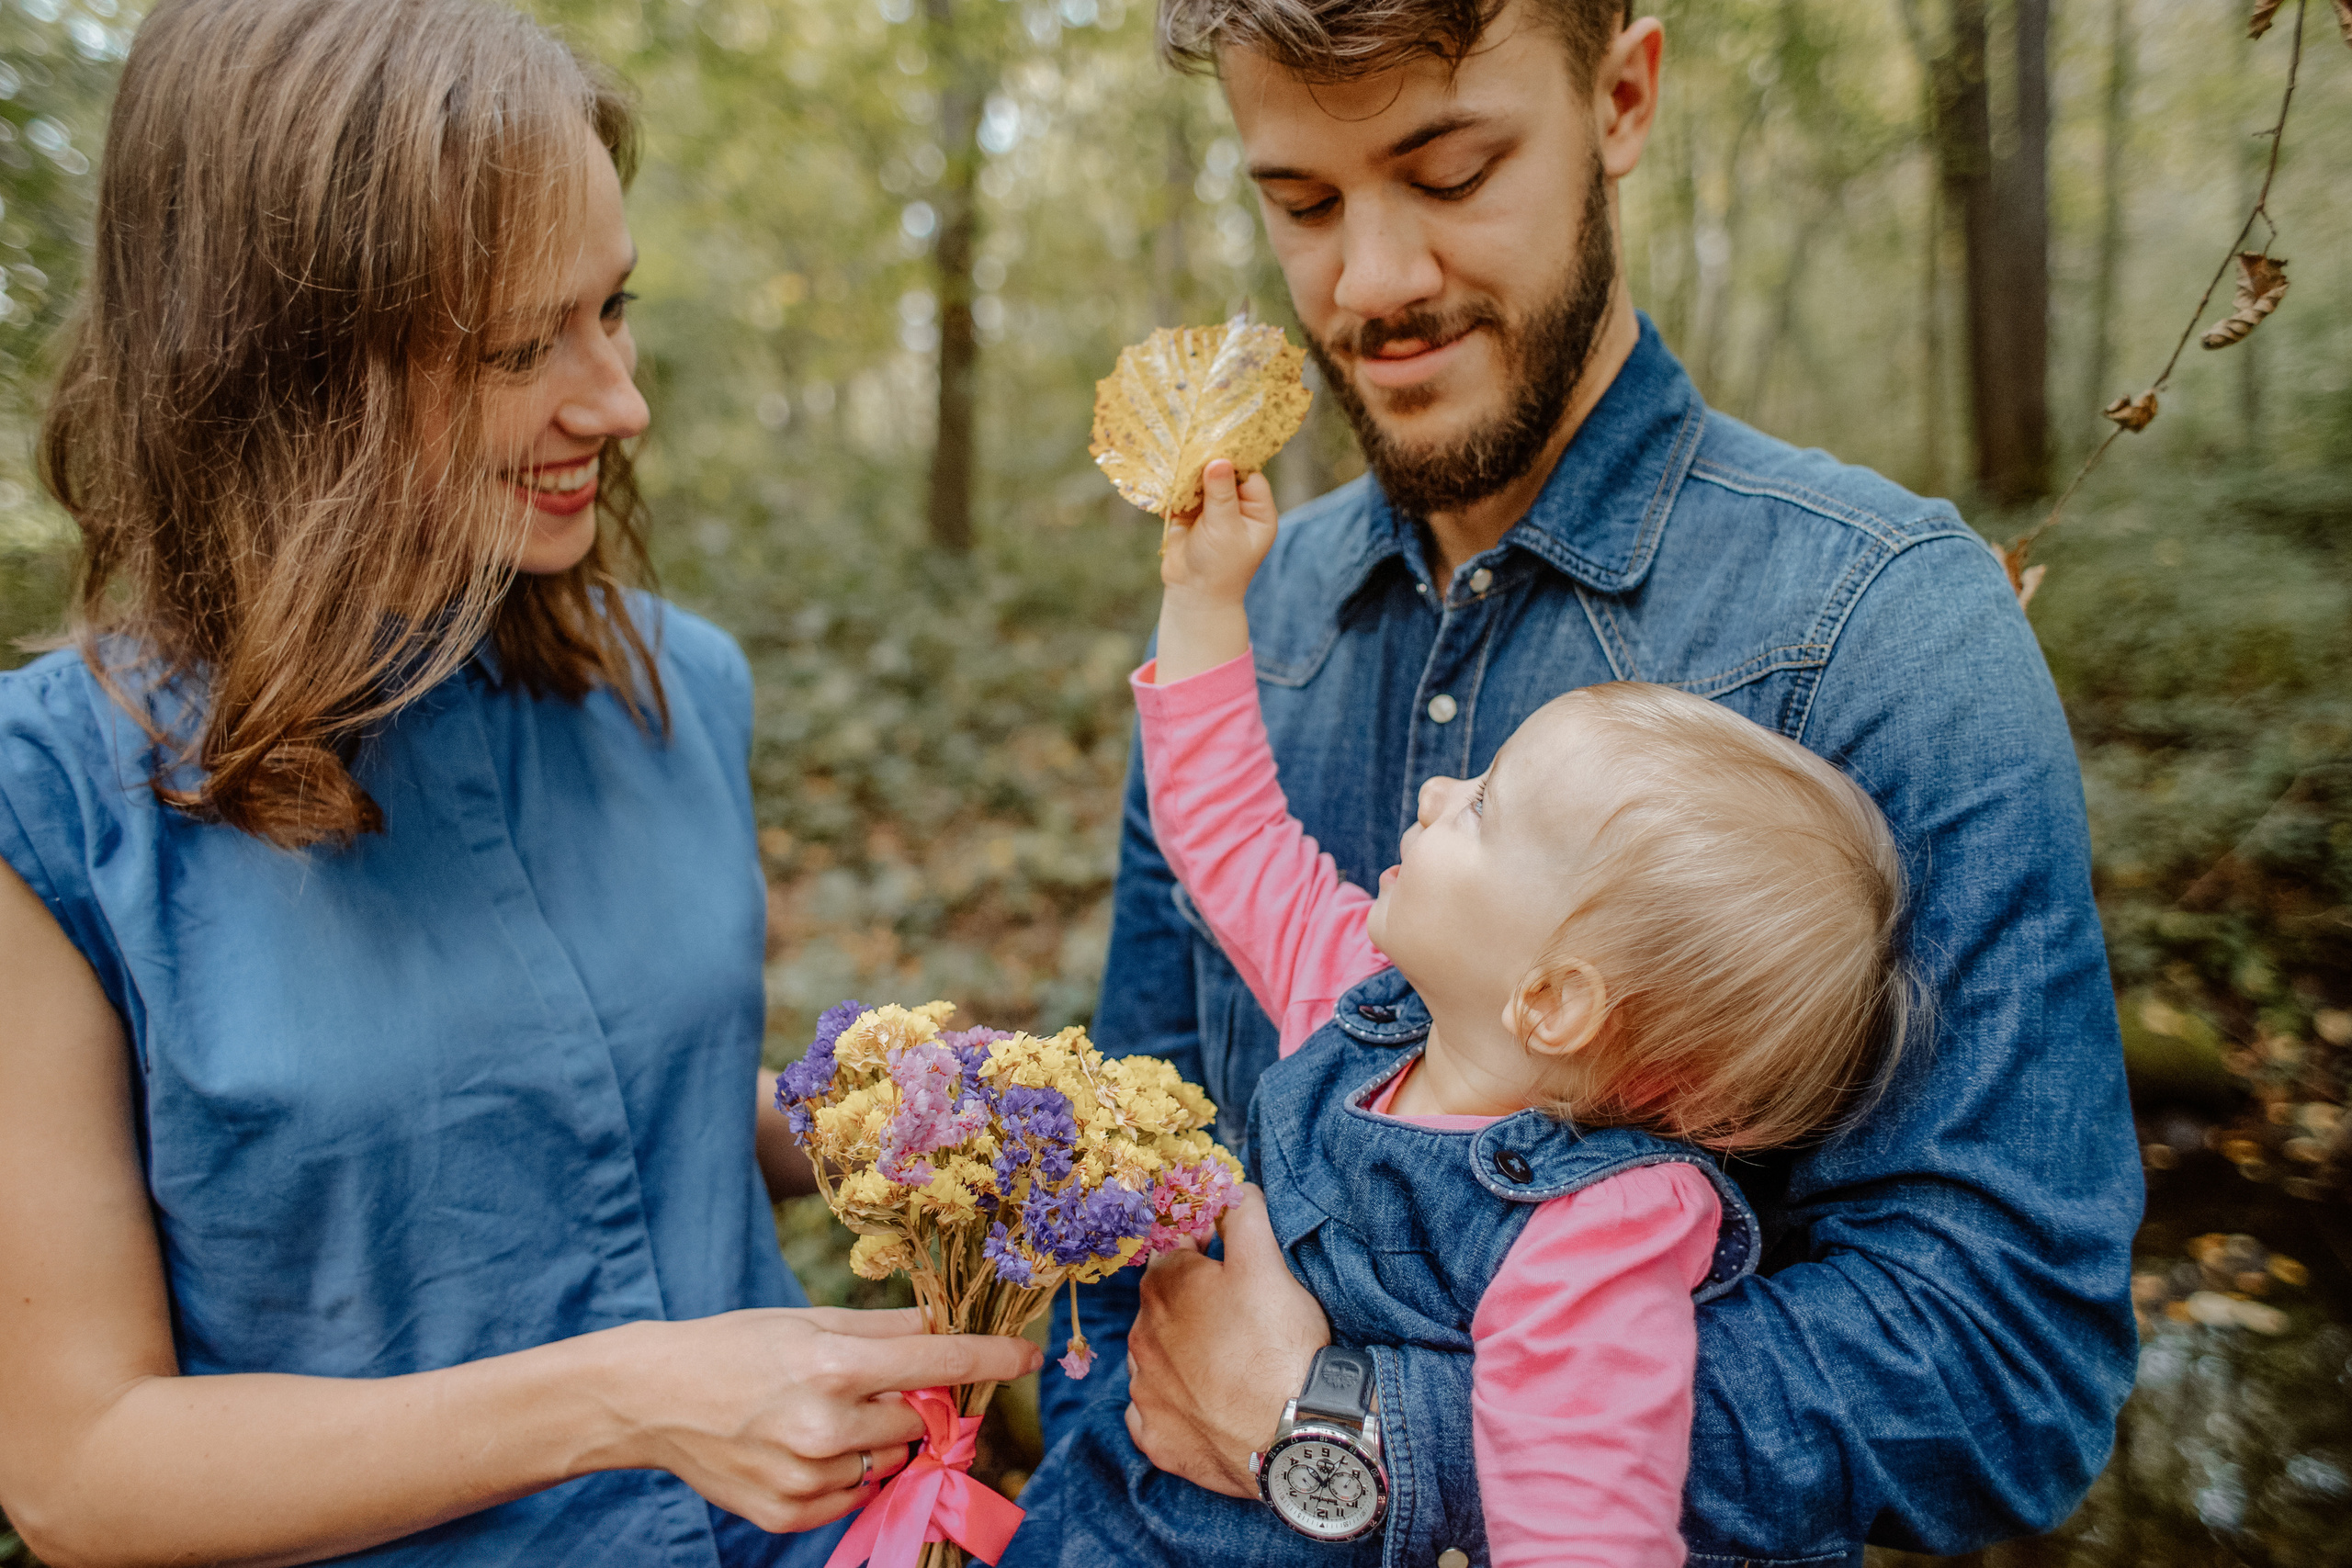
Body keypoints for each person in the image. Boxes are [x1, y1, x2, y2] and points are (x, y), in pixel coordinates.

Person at [1040, 0, 2143, 1560]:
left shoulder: (1889, 631)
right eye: (1301, 204)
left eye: (1451, 168)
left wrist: (1353, 1428)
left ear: (1621, 97)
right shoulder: (1253, 621)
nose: (1371, 280)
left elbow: (2004, 1356)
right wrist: (1079, 1487)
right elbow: (1128, 1130)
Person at [0, 3, 1038, 1564]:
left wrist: (869, 1127)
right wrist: (625, 1396)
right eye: (518, 345)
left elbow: (586, 1103)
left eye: (612, 309)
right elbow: (79, 1469)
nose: (616, 400)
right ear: (285, 365)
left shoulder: (675, 685)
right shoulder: (57, 806)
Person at [1005, 457, 1913, 1567]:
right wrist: (1202, 600)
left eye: (1481, 808)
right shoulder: (1362, 1005)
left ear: (1552, 998)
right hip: (1107, 1520)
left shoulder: (1607, 1227)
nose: (1437, 793)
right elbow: (1226, 836)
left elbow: (1582, 1510)